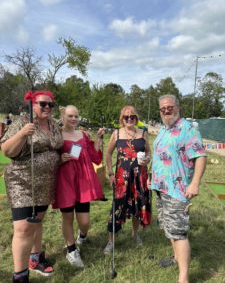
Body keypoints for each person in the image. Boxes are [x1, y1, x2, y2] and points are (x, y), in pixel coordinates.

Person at [0, 90, 63, 283]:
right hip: (23, 181)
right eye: (43, 104)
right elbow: (7, 150)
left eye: (50, 105)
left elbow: (57, 146)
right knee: (23, 229)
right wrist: (22, 133)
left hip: (46, 182)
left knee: (36, 223)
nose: (47, 108)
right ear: (31, 104)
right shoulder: (22, 122)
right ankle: (20, 275)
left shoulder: (53, 124)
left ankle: (35, 259)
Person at [151, 94, 207, 283]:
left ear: (178, 107)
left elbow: (200, 156)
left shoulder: (187, 129)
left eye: (170, 107)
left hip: (177, 190)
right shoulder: (164, 129)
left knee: (178, 233)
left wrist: (195, 183)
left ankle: (183, 278)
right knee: (169, 227)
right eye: (163, 108)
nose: (167, 110)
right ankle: (176, 258)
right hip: (161, 188)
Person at [52, 105, 105, 268]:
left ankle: (82, 236)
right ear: (63, 117)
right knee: (67, 217)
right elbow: (49, 159)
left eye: (76, 116)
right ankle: (71, 250)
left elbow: (94, 156)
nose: (74, 119)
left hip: (82, 182)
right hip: (65, 180)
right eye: (70, 116)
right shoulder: (57, 136)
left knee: (85, 221)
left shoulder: (83, 134)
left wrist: (99, 138)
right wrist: (60, 159)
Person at [104, 105, 151, 254]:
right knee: (117, 207)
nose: (129, 119)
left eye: (132, 116)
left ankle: (135, 234)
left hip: (140, 177)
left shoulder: (143, 133)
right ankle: (111, 241)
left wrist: (148, 159)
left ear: (136, 118)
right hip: (121, 179)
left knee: (137, 205)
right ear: (122, 119)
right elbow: (108, 154)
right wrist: (111, 173)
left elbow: (148, 152)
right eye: (126, 117)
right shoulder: (116, 133)